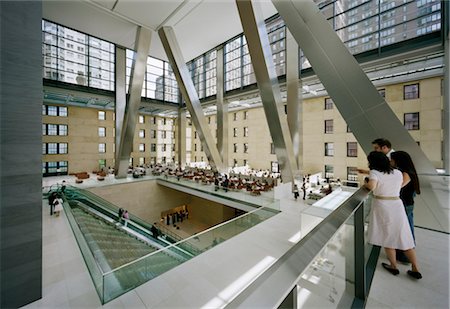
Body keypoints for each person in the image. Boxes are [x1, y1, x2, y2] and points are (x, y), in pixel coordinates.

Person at [364, 151, 422, 279]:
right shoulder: (398, 173)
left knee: (387, 235)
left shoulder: (375, 172)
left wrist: (366, 182)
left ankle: (393, 266)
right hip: (397, 204)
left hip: (382, 205)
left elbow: (372, 186)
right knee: (404, 235)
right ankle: (415, 268)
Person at [391, 151, 421, 262]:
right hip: (407, 203)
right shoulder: (406, 171)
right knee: (407, 227)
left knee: (406, 229)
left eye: (392, 159)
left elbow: (397, 187)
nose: (391, 161)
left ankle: (406, 254)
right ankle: (405, 252)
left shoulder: (406, 173)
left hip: (405, 204)